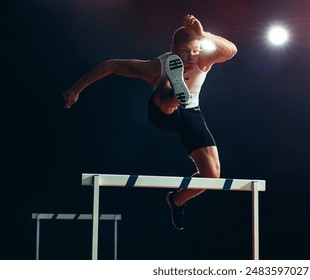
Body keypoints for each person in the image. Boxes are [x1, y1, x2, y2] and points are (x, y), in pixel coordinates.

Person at [63, 14, 237, 230]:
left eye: (195, 50)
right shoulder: (157, 66)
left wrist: (202, 35)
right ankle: (175, 92)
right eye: (185, 52)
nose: (192, 57)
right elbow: (113, 65)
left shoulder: (202, 59)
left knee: (212, 175)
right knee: (166, 96)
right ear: (173, 49)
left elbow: (231, 50)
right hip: (162, 111)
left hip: (191, 113)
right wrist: (76, 89)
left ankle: (177, 200)